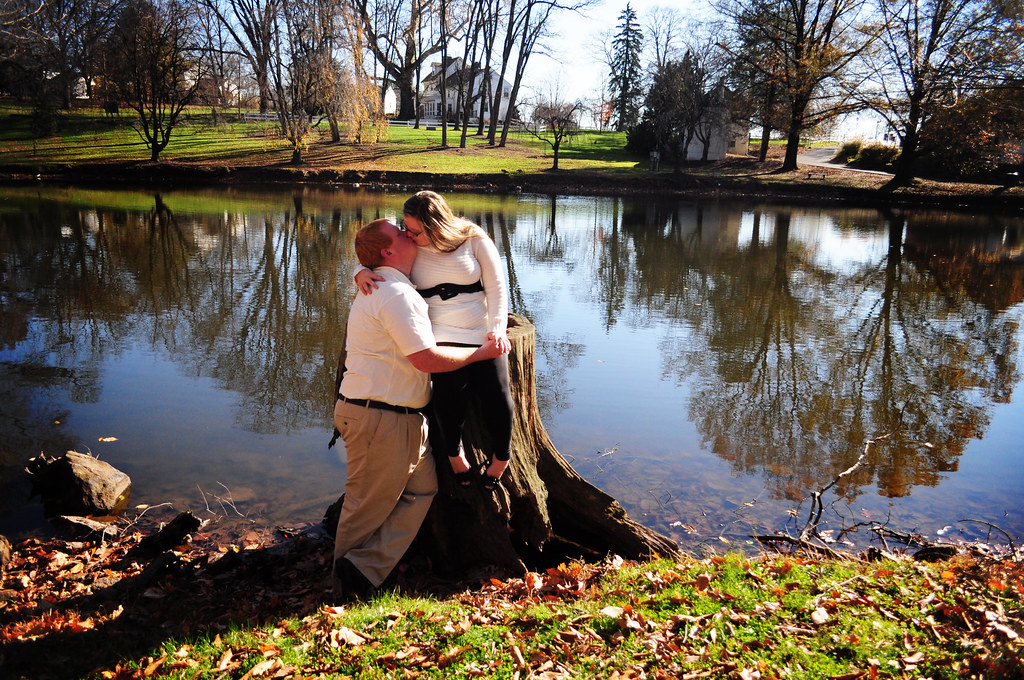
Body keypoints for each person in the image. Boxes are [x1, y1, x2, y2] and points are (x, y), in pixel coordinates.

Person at [333, 218, 507, 603]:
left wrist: (359, 269)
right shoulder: (394, 293)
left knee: (422, 490)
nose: (407, 232)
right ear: (388, 252)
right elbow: (426, 359)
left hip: (401, 418)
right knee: (364, 507)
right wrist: (479, 354)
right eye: (400, 233)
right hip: (379, 417)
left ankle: (362, 568)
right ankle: (343, 594)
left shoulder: (388, 283)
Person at [355, 191, 514, 491]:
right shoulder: (411, 248)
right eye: (406, 229)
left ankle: (502, 456)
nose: (409, 235)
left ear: (436, 225)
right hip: (439, 334)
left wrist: (497, 329)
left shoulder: (474, 238)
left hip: (481, 331)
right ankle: (454, 453)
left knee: (497, 391)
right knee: (449, 395)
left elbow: (496, 287)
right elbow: (377, 259)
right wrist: (359, 271)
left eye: (415, 230)